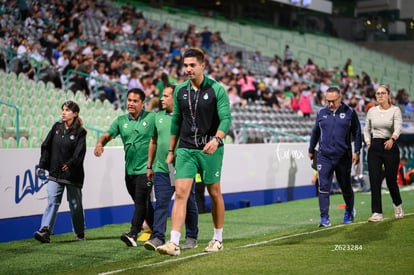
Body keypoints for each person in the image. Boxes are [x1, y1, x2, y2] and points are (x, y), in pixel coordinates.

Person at [156, 48, 231, 256]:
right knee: (180, 193)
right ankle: (174, 242)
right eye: (185, 65)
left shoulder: (217, 89)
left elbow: (226, 119)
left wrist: (217, 139)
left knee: (214, 192)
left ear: (202, 65)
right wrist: (172, 149)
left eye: (192, 65)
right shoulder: (180, 90)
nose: (188, 69)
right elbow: (177, 122)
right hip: (186, 148)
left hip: (210, 148)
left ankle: (217, 238)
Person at [94, 88, 155, 247]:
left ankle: (133, 233)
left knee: (141, 202)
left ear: (143, 103)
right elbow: (107, 135)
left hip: (147, 170)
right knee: (143, 204)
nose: (131, 103)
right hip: (129, 172)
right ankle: (158, 231)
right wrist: (100, 143)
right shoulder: (121, 120)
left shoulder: (152, 118)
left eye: (135, 101)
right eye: (129, 100)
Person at [144, 85, 199, 251]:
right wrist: (149, 166)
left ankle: (191, 236)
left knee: (189, 202)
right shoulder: (157, 117)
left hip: (184, 168)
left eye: (166, 96)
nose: (161, 98)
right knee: (161, 203)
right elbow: (153, 142)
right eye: (162, 95)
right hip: (161, 167)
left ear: (175, 98)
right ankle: (158, 237)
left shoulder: (187, 118)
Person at [34, 101, 87, 243]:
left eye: (67, 110)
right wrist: (42, 165)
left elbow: (79, 153)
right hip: (55, 173)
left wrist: (70, 165)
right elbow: (46, 146)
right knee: (52, 201)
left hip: (73, 175)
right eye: (63, 109)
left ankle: (80, 233)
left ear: (75, 114)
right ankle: (45, 230)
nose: (64, 112)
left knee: (75, 205)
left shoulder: (80, 132)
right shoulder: (56, 128)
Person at [308, 86, 362, 227]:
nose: (330, 104)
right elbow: (315, 132)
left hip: (343, 157)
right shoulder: (321, 112)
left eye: (333, 101)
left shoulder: (350, 113)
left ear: (340, 98)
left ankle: (349, 211)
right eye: (328, 101)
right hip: (324, 156)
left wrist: (357, 151)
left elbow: (357, 133)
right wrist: (311, 149)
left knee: (345, 187)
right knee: (323, 187)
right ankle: (324, 218)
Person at [364, 85, 404, 222]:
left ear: (388, 95)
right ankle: (377, 213)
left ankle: (397, 204)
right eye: (378, 93)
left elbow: (398, 127)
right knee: (374, 180)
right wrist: (368, 142)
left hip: (390, 146)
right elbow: (366, 129)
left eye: (382, 93)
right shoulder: (371, 111)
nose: (380, 96)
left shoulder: (395, 110)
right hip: (374, 147)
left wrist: (392, 139)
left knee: (391, 180)